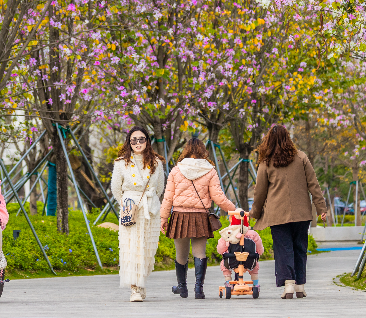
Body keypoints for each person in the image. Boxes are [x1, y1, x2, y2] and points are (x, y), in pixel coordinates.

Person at [250, 124, 327, 299]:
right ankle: (300, 286)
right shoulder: (301, 158)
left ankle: (289, 286)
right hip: (302, 213)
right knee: (300, 248)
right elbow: (313, 185)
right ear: (288, 139)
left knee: (284, 249)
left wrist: (254, 213)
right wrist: (321, 207)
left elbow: (259, 192)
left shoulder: (266, 162)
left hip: (277, 214)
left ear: (269, 141)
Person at [160, 136, 235, 299]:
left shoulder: (176, 170)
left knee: (181, 254)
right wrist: (234, 210)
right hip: (200, 216)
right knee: (199, 252)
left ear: (185, 151)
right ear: (203, 151)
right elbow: (219, 197)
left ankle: (182, 288)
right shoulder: (210, 170)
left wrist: (163, 218)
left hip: (179, 216)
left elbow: (168, 197)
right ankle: (199, 289)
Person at [110, 126, 166, 302]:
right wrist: (127, 203)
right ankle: (135, 288)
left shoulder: (157, 162)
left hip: (150, 208)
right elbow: (115, 188)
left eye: (141, 139)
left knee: (147, 250)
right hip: (131, 208)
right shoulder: (121, 163)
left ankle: (141, 284)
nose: (138, 143)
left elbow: (159, 188)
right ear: (129, 142)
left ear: (147, 141)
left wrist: (149, 203)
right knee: (132, 248)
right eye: (134, 140)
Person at [217, 214, 264, 290]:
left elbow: (221, 248)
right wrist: (259, 253)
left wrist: (223, 252)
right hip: (249, 260)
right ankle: (255, 284)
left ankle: (228, 282)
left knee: (224, 265)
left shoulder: (228, 234)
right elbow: (259, 247)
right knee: (255, 267)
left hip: (231, 260)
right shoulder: (253, 234)